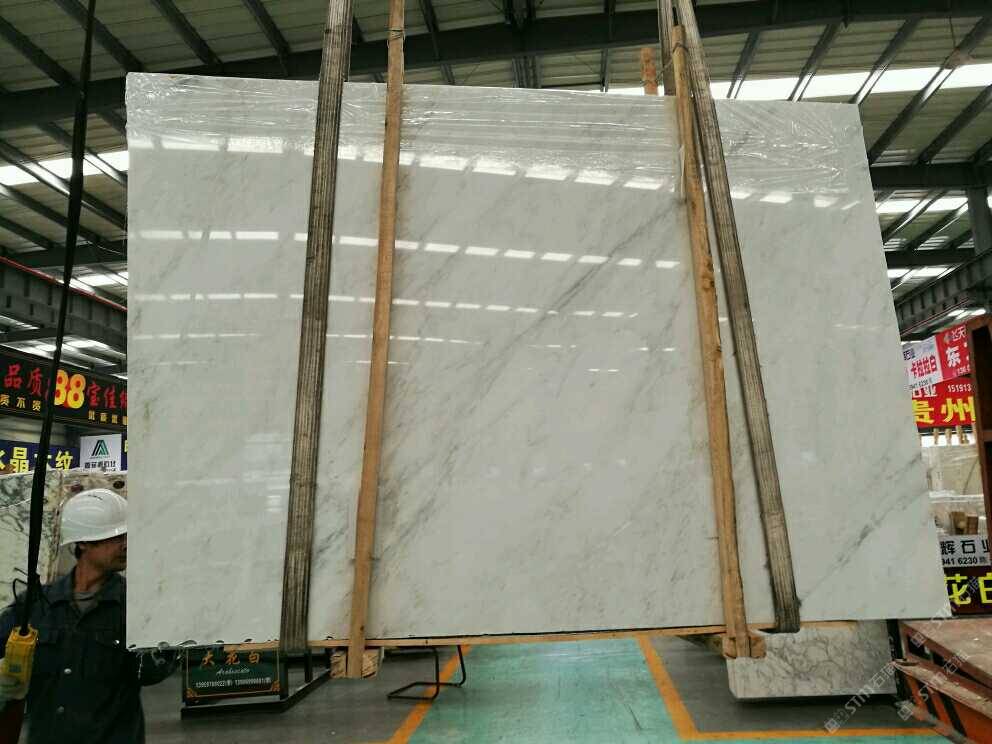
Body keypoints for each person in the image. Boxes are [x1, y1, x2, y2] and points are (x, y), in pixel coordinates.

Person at [0, 488, 173, 743]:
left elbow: (151, 673)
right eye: (115, 537)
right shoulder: (36, 605)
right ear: (82, 543)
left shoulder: (136, 604)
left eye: (127, 535)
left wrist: (173, 631)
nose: (126, 544)